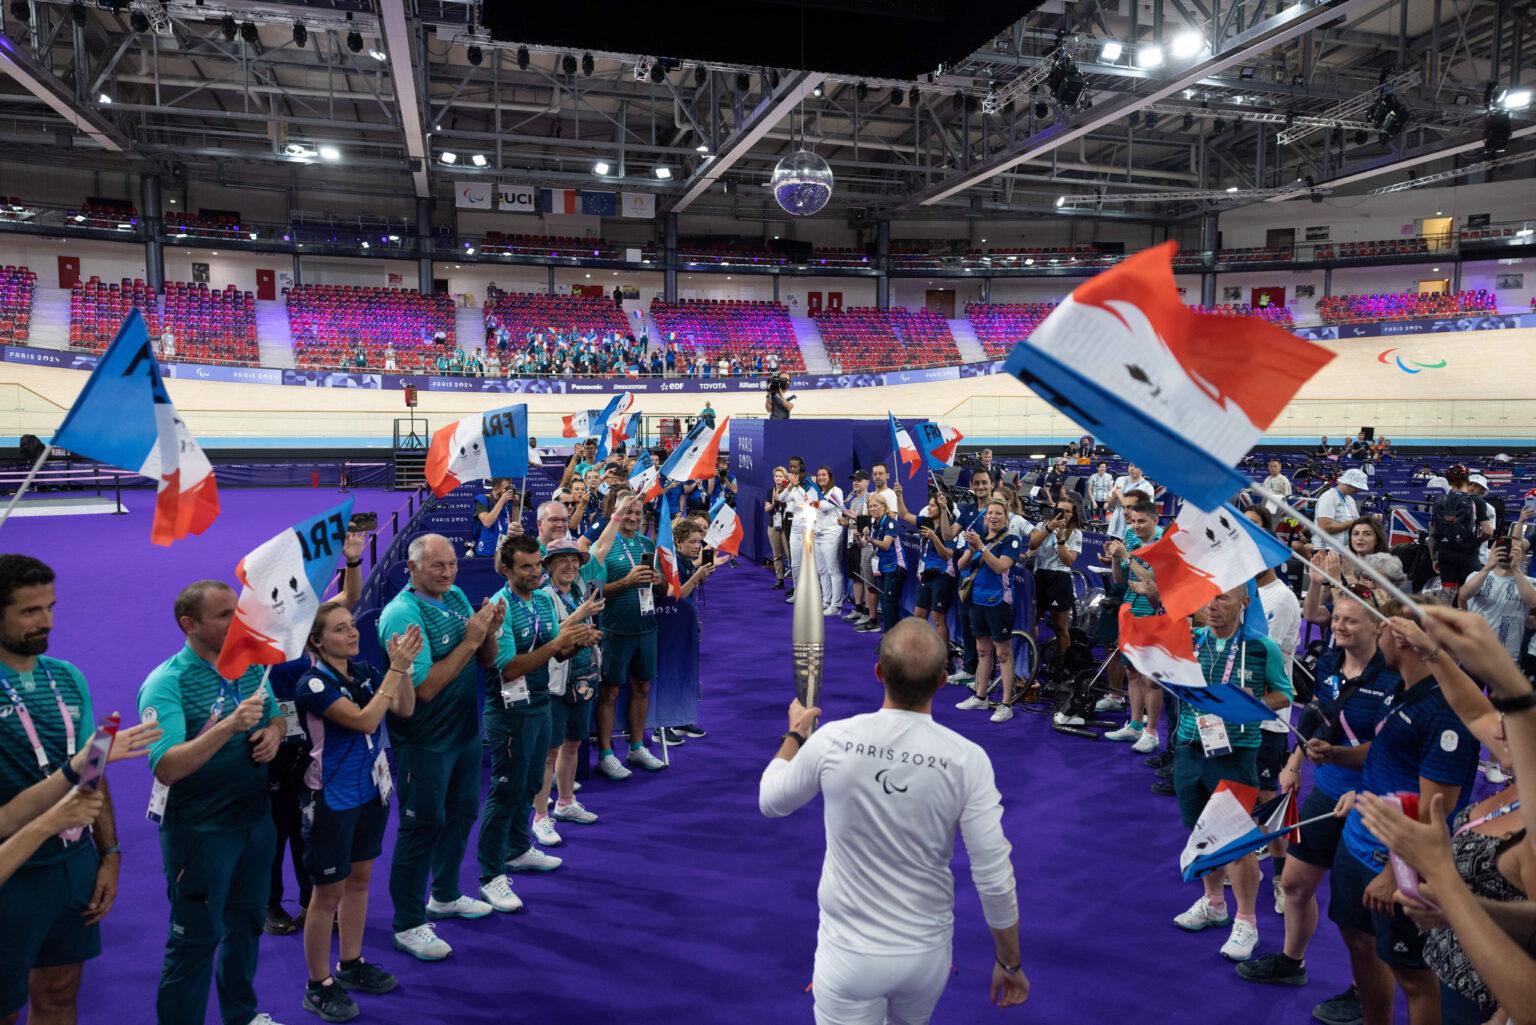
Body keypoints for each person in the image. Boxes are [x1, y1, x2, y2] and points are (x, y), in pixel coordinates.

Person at [757, 620, 1028, 1022]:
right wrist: (1010, 964)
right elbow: (993, 873)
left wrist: (795, 735)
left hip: (847, 956)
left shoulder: (833, 739)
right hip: (925, 956)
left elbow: (771, 800)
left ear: (879, 673)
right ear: (941, 681)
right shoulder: (967, 759)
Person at [138, 580, 288, 1025]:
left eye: (237, 611)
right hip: (201, 833)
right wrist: (227, 727)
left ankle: (240, 1015)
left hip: (255, 821)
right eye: (224, 614)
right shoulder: (166, 683)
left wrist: (273, 734)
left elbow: (276, 714)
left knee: (247, 927)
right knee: (195, 941)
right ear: (190, 624)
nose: (237, 619)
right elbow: (165, 765)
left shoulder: (247, 665)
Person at [1324, 596, 1480, 1025]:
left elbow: (1438, 811)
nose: (1378, 635)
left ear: (1405, 639)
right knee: (1358, 941)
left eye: (1384, 628)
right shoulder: (1401, 688)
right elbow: (1388, 754)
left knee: (1414, 977)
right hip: (1355, 845)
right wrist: (1338, 754)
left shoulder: (1447, 713)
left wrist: (1394, 872)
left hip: (1395, 864)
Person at [1237, 587, 1397, 990]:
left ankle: (1366, 992)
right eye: (1337, 618)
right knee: (1293, 883)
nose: (1338, 626)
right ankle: (1292, 963)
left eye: (1350, 620)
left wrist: (1337, 755)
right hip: (1326, 793)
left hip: (1373, 801)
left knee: (1365, 910)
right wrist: (1294, 764)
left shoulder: (1395, 677)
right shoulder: (1327, 664)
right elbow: (1314, 719)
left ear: (1377, 627)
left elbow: (1390, 750)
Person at [0, 556, 122, 1025]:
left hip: (72, 863)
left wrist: (108, 851)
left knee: (60, 989)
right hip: (11, 871)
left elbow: (93, 767)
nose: (46, 621)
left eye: (49, 607)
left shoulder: (67, 676)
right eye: (29, 611)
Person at [375, 534, 504, 961]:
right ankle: (408, 923)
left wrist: (489, 633)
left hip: (464, 732)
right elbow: (424, 689)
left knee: (463, 812)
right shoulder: (401, 615)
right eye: (437, 566)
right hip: (424, 741)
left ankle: (445, 895)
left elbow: (485, 661)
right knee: (421, 827)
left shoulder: (457, 596)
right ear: (411, 569)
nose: (449, 572)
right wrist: (470, 639)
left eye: (452, 564)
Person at [292, 605, 421, 1023]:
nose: (352, 633)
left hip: (371, 793)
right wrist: (393, 671)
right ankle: (318, 984)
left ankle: (350, 963)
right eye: (340, 629)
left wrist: (401, 670)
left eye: (352, 626)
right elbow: (366, 722)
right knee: (326, 894)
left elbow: (404, 709)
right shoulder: (311, 683)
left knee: (360, 880)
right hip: (331, 800)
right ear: (317, 640)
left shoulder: (365, 671)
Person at [476, 536, 601, 912]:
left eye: (536, 565)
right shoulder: (499, 607)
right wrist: (558, 644)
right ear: (505, 569)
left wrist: (577, 641)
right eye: (525, 567)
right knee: (505, 792)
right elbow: (510, 666)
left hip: (541, 704)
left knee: (531, 784)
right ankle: (490, 875)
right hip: (508, 712)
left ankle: (516, 849)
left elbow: (556, 648)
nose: (534, 573)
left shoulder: (546, 599)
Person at [1171, 586, 1295, 964]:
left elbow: (1285, 695)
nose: (1212, 607)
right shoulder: (1190, 642)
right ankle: (1213, 903)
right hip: (1189, 748)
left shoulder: (1261, 648)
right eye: (1209, 599)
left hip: (1237, 753)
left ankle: (1247, 922)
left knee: (1237, 842)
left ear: (1244, 603)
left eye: (1223, 599)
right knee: (1201, 832)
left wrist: (1249, 701)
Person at [266, 531, 367, 938]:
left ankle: (311, 901)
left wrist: (354, 561)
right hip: (275, 743)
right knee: (276, 828)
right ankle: (269, 903)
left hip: (311, 742)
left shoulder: (313, 620)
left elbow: (349, 599)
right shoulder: (263, 632)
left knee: (309, 825)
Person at [594, 493, 670, 780]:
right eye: (627, 512)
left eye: (638, 513)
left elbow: (663, 591)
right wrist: (626, 582)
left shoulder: (648, 544)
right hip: (615, 630)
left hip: (647, 628)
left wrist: (657, 579)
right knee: (610, 692)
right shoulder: (603, 546)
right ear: (616, 512)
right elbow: (593, 592)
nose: (634, 518)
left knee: (642, 689)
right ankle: (605, 755)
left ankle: (636, 747)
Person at [1104, 494, 1167, 754]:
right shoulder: (1130, 537)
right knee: (1131, 672)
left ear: (1155, 519)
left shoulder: (1163, 544)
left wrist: (1127, 556)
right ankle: (1135, 724)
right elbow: (1120, 580)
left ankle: (1152, 732)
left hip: (1153, 614)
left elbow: (1154, 581)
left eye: (1142, 521)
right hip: (1129, 611)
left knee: (1151, 678)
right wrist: (1116, 559)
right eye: (1134, 521)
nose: (1137, 525)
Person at [955, 498, 1021, 723]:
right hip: (976, 600)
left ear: (1006, 518)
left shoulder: (1011, 540)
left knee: (1003, 653)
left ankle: (1006, 704)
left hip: (998, 602)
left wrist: (981, 548)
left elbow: (1000, 566)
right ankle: (981, 696)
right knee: (983, 652)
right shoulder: (977, 538)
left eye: (998, 514)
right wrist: (970, 549)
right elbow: (961, 567)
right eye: (990, 513)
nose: (993, 517)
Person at [893, 482, 957, 658]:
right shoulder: (925, 522)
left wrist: (934, 537)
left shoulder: (948, 528)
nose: (929, 508)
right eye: (929, 504)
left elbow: (947, 555)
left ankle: (943, 658)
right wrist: (899, 495)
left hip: (942, 575)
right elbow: (905, 515)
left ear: (942, 508)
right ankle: (918, 653)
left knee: (937, 618)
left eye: (932, 505)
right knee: (918, 616)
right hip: (926, 575)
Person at [1029, 495, 1084, 678]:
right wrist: (1048, 528)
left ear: (1073, 514)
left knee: (1061, 628)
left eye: (1068, 511)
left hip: (1060, 579)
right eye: (1061, 510)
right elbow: (1032, 544)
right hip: (1040, 577)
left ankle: (1059, 670)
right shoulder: (1041, 526)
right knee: (1032, 622)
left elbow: (1068, 561)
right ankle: (1030, 662)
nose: (1065, 514)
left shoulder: (1076, 533)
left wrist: (1061, 541)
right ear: (1055, 510)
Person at [1457, 534, 1536, 659]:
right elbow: (1464, 594)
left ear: (1522, 557)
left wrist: (1516, 569)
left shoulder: (1530, 583)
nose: (1506, 552)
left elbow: (1533, 603)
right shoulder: (1475, 576)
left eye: (1513, 550)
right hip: (1473, 655)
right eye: (1501, 549)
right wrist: (1488, 566)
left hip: (1508, 659)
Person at [1429, 465, 1496, 594]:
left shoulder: (1439, 501)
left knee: (1447, 594)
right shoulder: (1477, 501)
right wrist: (1474, 542)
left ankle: (1446, 614)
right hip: (1468, 555)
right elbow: (1488, 532)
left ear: (1448, 482)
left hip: (1445, 555)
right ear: (1468, 480)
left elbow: (1432, 534)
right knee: (1469, 596)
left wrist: (1434, 558)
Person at [866, 493, 908, 635]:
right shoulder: (875, 524)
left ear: (884, 507)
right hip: (882, 567)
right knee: (884, 603)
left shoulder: (890, 521)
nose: (872, 509)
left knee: (890, 604)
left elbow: (885, 545)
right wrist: (860, 538)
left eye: (875, 506)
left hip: (895, 567)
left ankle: (891, 637)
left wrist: (869, 539)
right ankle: (890, 635)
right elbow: (863, 544)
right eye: (870, 506)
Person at [809, 467, 845, 617]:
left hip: (832, 534)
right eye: (818, 475)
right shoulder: (818, 492)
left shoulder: (836, 491)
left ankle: (836, 605)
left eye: (824, 475)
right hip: (818, 533)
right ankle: (827, 600)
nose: (821, 477)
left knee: (833, 570)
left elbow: (826, 506)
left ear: (829, 477)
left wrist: (814, 498)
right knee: (822, 570)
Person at [1312, 467, 1370, 547]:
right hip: (1326, 550)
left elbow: (1357, 523)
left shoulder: (1350, 499)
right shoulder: (1329, 497)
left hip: (1343, 549)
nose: (1359, 491)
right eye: (1358, 487)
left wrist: (1371, 519)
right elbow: (1324, 528)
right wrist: (1354, 522)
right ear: (1349, 484)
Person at [471, 479, 523, 558]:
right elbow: (487, 523)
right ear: (496, 489)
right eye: (507, 488)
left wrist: (516, 506)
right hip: (487, 550)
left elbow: (515, 526)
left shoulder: (509, 502)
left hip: (506, 550)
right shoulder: (483, 499)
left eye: (511, 488)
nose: (509, 491)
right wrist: (502, 500)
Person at [1107, 463, 1156, 539]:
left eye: (1136, 466)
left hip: (1133, 533)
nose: (1132, 468)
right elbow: (1109, 504)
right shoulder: (1120, 480)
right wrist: (1113, 498)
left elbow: (1146, 511)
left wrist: (1120, 497)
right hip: (1115, 530)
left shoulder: (1147, 487)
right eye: (1131, 466)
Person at [765, 466, 792, 591]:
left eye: (780, 476)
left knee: (790, 554)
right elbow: (767, 508)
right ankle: (780, 579)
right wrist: (775, 502)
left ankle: (795, 583)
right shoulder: (771, 491)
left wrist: (781, 500)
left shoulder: (789, 490)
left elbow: (792, 507)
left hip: (787, 526)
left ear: (785, 478)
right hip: (773, 525)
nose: (778, 478)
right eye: (776, 476)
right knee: (777, 555)